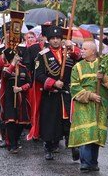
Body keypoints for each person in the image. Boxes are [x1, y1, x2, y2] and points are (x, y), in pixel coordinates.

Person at [34, 25, 81, 160]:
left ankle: (72, 145)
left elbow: (80, 56)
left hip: (66, 92)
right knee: (50, 122)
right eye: (53, 38)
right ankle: (48, 147)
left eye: (58, 38)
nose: (55, 41)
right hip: (51, 94)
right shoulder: (43, 55)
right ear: (49, 40)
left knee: (68, 121)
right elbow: (38, 75)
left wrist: (71, 46)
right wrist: (53, 82)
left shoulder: (68, 52)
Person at [69, 41, 108, 172]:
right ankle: (85, 162)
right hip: (84, 105)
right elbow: (74, 87)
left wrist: (105, 77)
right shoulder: (77, 67)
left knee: (96, 134)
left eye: (84, 49)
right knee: (86, 133)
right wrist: (90, 96)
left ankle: (93, 162)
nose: (81, 51)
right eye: (81, 48)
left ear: (93, 51)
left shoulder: (103, 65)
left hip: (99, 105)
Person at [0, 46, 32, 153]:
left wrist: (21, 88)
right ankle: (12, 145)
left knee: (21, 123)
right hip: (9, 98)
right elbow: (5, 75)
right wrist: (12, 64)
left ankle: (16, 141)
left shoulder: (23, 68)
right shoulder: (6, 67)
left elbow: (29, 82)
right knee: (10, 122)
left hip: (21, 98)